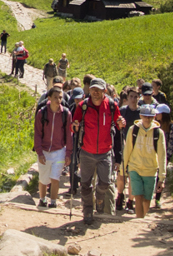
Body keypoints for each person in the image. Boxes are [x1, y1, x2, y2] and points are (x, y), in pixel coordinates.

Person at [72, 77, 120, 224]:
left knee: (105, 182)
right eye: (93, 90)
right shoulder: (83, 106)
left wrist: (121, 123)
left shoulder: (111, 106)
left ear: (104, 91)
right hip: (87, 151)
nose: (95, 93)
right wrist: (74, 126)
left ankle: (99, 198)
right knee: (85, 184)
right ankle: (87, 210)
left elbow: (119, 124)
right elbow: (74, 125)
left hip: (105, 152)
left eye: (98, 90)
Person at [123, 104, 167, 219]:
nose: (148, 119)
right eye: (146, 116)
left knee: (147, 199)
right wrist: (123, 170)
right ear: (141, 116)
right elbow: (127, 150)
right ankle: (139, 219)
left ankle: (142, 217)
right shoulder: (133, 130)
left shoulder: (159, 133)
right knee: (138, 196)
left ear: (154, 117)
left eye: (151, 117)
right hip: (135, 167)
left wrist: (162, 177)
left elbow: (162, 155)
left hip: (150, 170)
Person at [33, 86, 72, 209]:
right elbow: (37, 133)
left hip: (59, 150)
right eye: (55, 97)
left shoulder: (66, 114)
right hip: (44, 151)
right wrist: (39, 152)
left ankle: (53, 201)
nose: (58, 100)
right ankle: (43, 199)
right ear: (49, 98)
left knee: (55, 178)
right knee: (44, 179)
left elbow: (69, 135)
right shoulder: (42, 113)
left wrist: (68, 154)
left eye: (60, 97)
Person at [117, 87, 140, 212]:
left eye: (136, 97)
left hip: (137, 148)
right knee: (121, 174)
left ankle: (131, 201)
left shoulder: (141, 112)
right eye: (131, 96)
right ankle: (120, 195)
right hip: (123, 145)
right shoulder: (123, 111)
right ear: (127, 98)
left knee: (133, 175)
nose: (133, 99)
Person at [154, 103, 173, 209]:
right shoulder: (155, 125)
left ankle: (157, 199)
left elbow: (172, 142)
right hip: (153, 155)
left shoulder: (171, 127)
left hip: (164, 156)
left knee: (160, 177)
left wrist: (167, 156)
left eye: (158, 113)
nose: (156, 115)